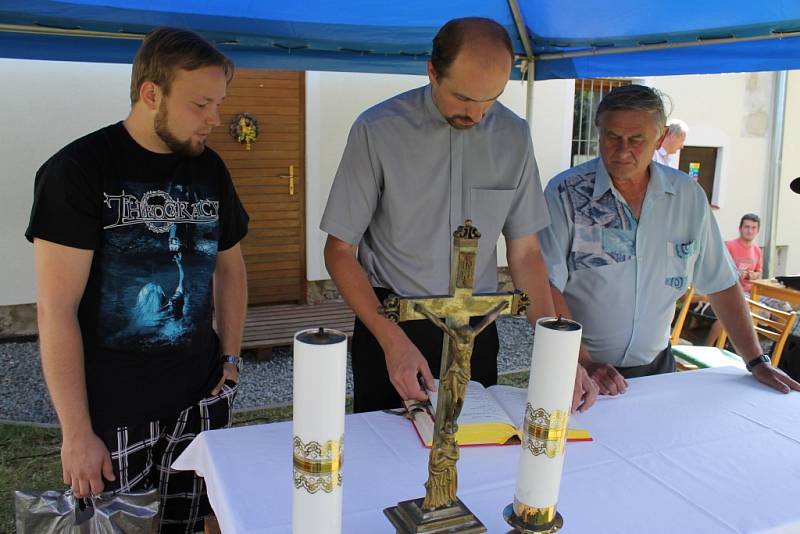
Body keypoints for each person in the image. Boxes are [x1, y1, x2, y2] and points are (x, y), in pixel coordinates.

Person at [26, 27, 249, 533]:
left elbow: (231, 267)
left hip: (199, 399)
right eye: (201, 104)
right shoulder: (78, 171)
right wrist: (76, 432)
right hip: (113, 413)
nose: (214, 119)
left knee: (195, 523)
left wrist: (230, 363)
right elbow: (55, 309)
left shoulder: (210, 169)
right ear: (152, 94)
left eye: (218, 104)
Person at [321, 17, 598, 414]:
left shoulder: (513, 135)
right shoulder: (377, 130)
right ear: (432, 71)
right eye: (464, 98)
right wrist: (390, 339)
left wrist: (558, 352)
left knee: (478, 455)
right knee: (388, 459)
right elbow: (340, 250)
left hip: (476, 328)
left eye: (491, 99)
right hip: (395, 323)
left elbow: (526, 255)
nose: (479, 114)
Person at [539, 84, 800, 397]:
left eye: (636, 139)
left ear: (660, 138)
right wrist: (580, 360)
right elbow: (545, 284)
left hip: (657, 370)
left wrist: (756, 361)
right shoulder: (565, 193)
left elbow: (721, 281)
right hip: (577, 370)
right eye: (612, 137)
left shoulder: (687, 197)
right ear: (598, 131)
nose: (623, 151)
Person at [703, 213, 792, 345]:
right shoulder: (729, 246)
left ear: (757, 230)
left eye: (753, 228)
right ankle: (716, 347)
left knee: (784, 307)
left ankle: (777, 347)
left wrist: (755, 275)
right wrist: (735, 273)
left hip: (753, 291)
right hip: (732, 290)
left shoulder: (756, 250)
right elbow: (718, 270)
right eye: (747, 227)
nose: (750, 230)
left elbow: (759, 272)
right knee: (757, 310)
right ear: (740, 228)